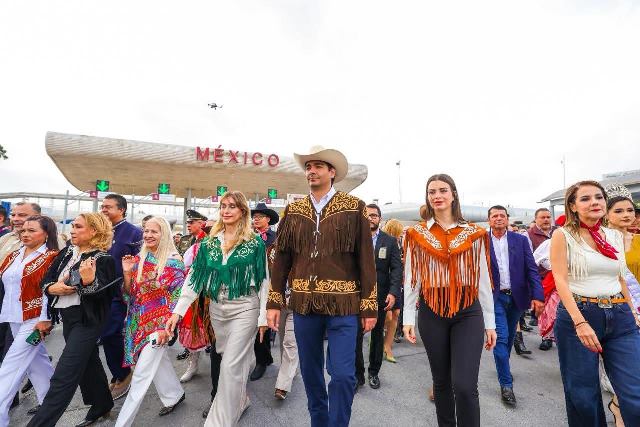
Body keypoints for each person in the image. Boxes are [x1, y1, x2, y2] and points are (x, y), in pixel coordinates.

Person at [266, 145, 378, 427]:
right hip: (304, 305)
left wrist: (369, 306)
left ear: (332, 172)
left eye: (317, 166)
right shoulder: (294, 210)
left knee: (343, 376)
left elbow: (366, 260)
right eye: (308, 167)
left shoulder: (355, 207)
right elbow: (282, 259)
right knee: (311, 372)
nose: (311, 171)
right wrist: (274, 302)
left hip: (345, 305)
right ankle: (319, 421)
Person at [166, 191, 269, 427]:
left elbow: (264, 281)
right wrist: (178, 311)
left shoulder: (255, 243)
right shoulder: (209, 243)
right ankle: (241, 400)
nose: (226, 210)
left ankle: (218, 422)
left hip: (245, 307)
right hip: (217, 309)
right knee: (230, 361)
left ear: (242, 211)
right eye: (223, 206)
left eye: (232, 206)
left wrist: (263, 316)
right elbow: (194, 279)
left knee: (230, 366)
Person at [403, 174, 496, 427]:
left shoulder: (475, 233)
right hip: (432, 310)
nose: (437, 196)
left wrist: (490, 322)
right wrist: (408, 317)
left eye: (443, 190)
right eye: (432, 192)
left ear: (453, 194)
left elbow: (483, 280)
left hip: (468, 311)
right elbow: (412, 278)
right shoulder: (416, 234)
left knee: (465, 385)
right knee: (441, 382)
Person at [551, 180, 640, 426]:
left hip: (620, 315)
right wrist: (580, 323)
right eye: (586, 198)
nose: (594, 202)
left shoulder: (614, 235)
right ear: (573, 206)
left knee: (635, 392)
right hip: (580, 314)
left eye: (599, 197)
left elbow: (620, 278)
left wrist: (632, 312)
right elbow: (560, 279)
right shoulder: (563, 235)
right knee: (583, 396)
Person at [28, 213, 117, 427]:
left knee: (64, 374)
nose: (72, 230)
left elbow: (105, 295)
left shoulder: (103, 259)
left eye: (78, 226)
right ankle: (102, 403)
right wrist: (53, 288)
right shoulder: (67, 252)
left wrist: (88, 282)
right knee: (89, 363)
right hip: (68, 317)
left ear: (94, 231)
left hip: (88, 321)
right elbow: (47, 280)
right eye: (73, 226)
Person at [114, 217, 185, 426]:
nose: (148, 235)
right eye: (146, 231)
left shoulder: (174, 261)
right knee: (159, 363)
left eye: (154, 231)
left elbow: (178, 298)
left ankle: (122, 423)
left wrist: (165, 328)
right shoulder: (140, 258)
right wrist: (127, 273)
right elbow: (130, 295)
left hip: (160, 327)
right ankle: (174, 395)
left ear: (164, 234)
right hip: (138, 323)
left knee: (141, 375)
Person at [0, 216, 59, 426]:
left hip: (34, 320)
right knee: (37, 364)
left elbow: (48, 291)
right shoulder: (14, 255)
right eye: (23, 230)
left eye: (32, 230)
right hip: (13, 317)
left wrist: (45, 318)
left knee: (10, 367)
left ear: (46, 234)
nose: (25, 234)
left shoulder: (52, 257)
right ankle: (51, 405)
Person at [487, 205, 543, 407]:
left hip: (518, 297)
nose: (498, 218)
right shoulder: (482, 241)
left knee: (510, 336)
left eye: (502, 215)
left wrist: (538, 296)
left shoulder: (520, 240)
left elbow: (531, 269)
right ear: (489, 220)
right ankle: (506, 385)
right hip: (495, 298)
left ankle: (504, 366)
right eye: (494, 216)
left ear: (507, 219)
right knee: (501, 338)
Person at [100, 194, 142, 400]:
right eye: (102, 206)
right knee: (105, 335)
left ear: (121, 210)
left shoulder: (134, 233)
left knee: (110, 333)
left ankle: (123, 373)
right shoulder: (100, 231)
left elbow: (142, 262)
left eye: (108, 207)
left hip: (120, 293)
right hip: (98, 293)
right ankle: (118, 373)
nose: (103, 210)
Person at [0, 202, 42, 410]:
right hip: (6, 305)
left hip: (29, 312)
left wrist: (45, 317)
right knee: (37, 362)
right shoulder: (7, 239)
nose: (16, 219)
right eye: (14, 214)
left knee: (12, 356)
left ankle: (6, 401)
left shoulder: (48, 246)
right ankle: (48, 400)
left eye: (22, 215)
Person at [355, 204, 401, 390]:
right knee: (356, 336)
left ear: (380, 218)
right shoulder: (354, 239)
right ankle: (357, 375)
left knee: (377, 335)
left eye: (374, 215)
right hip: (357, 296)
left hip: (381, 296)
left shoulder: (389, 241)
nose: (370, 218)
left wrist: (393, 292)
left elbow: (396, 269)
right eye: (367, 215)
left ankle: (373, 372)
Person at [175, 210, 211, 381]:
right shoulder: (190, 240)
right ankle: (193, 364)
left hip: (209, 292)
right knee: (192, 325)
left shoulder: (210, 239)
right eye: (188, 223)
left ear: (202, 223)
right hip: (193, 291)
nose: (188, 225)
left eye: (192, 222)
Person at [249, 202, 279, 381]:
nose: (256, 219)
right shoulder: (248, 237)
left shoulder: (277, 237)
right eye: (254, 217)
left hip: (272, 285)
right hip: (253, 285)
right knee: (256, 321)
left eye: (259, 217)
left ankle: (262, 360)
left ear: (268, 219)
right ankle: (264, 358)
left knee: (265, 321)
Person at [381, 218, 404, 363]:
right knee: (387, 316)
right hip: (384, 283)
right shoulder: (383, 241)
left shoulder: (399, 243)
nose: (401, 235)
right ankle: (378, 337)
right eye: (398, 232)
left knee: (396, 314)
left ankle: (388, 347)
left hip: (396, 282)